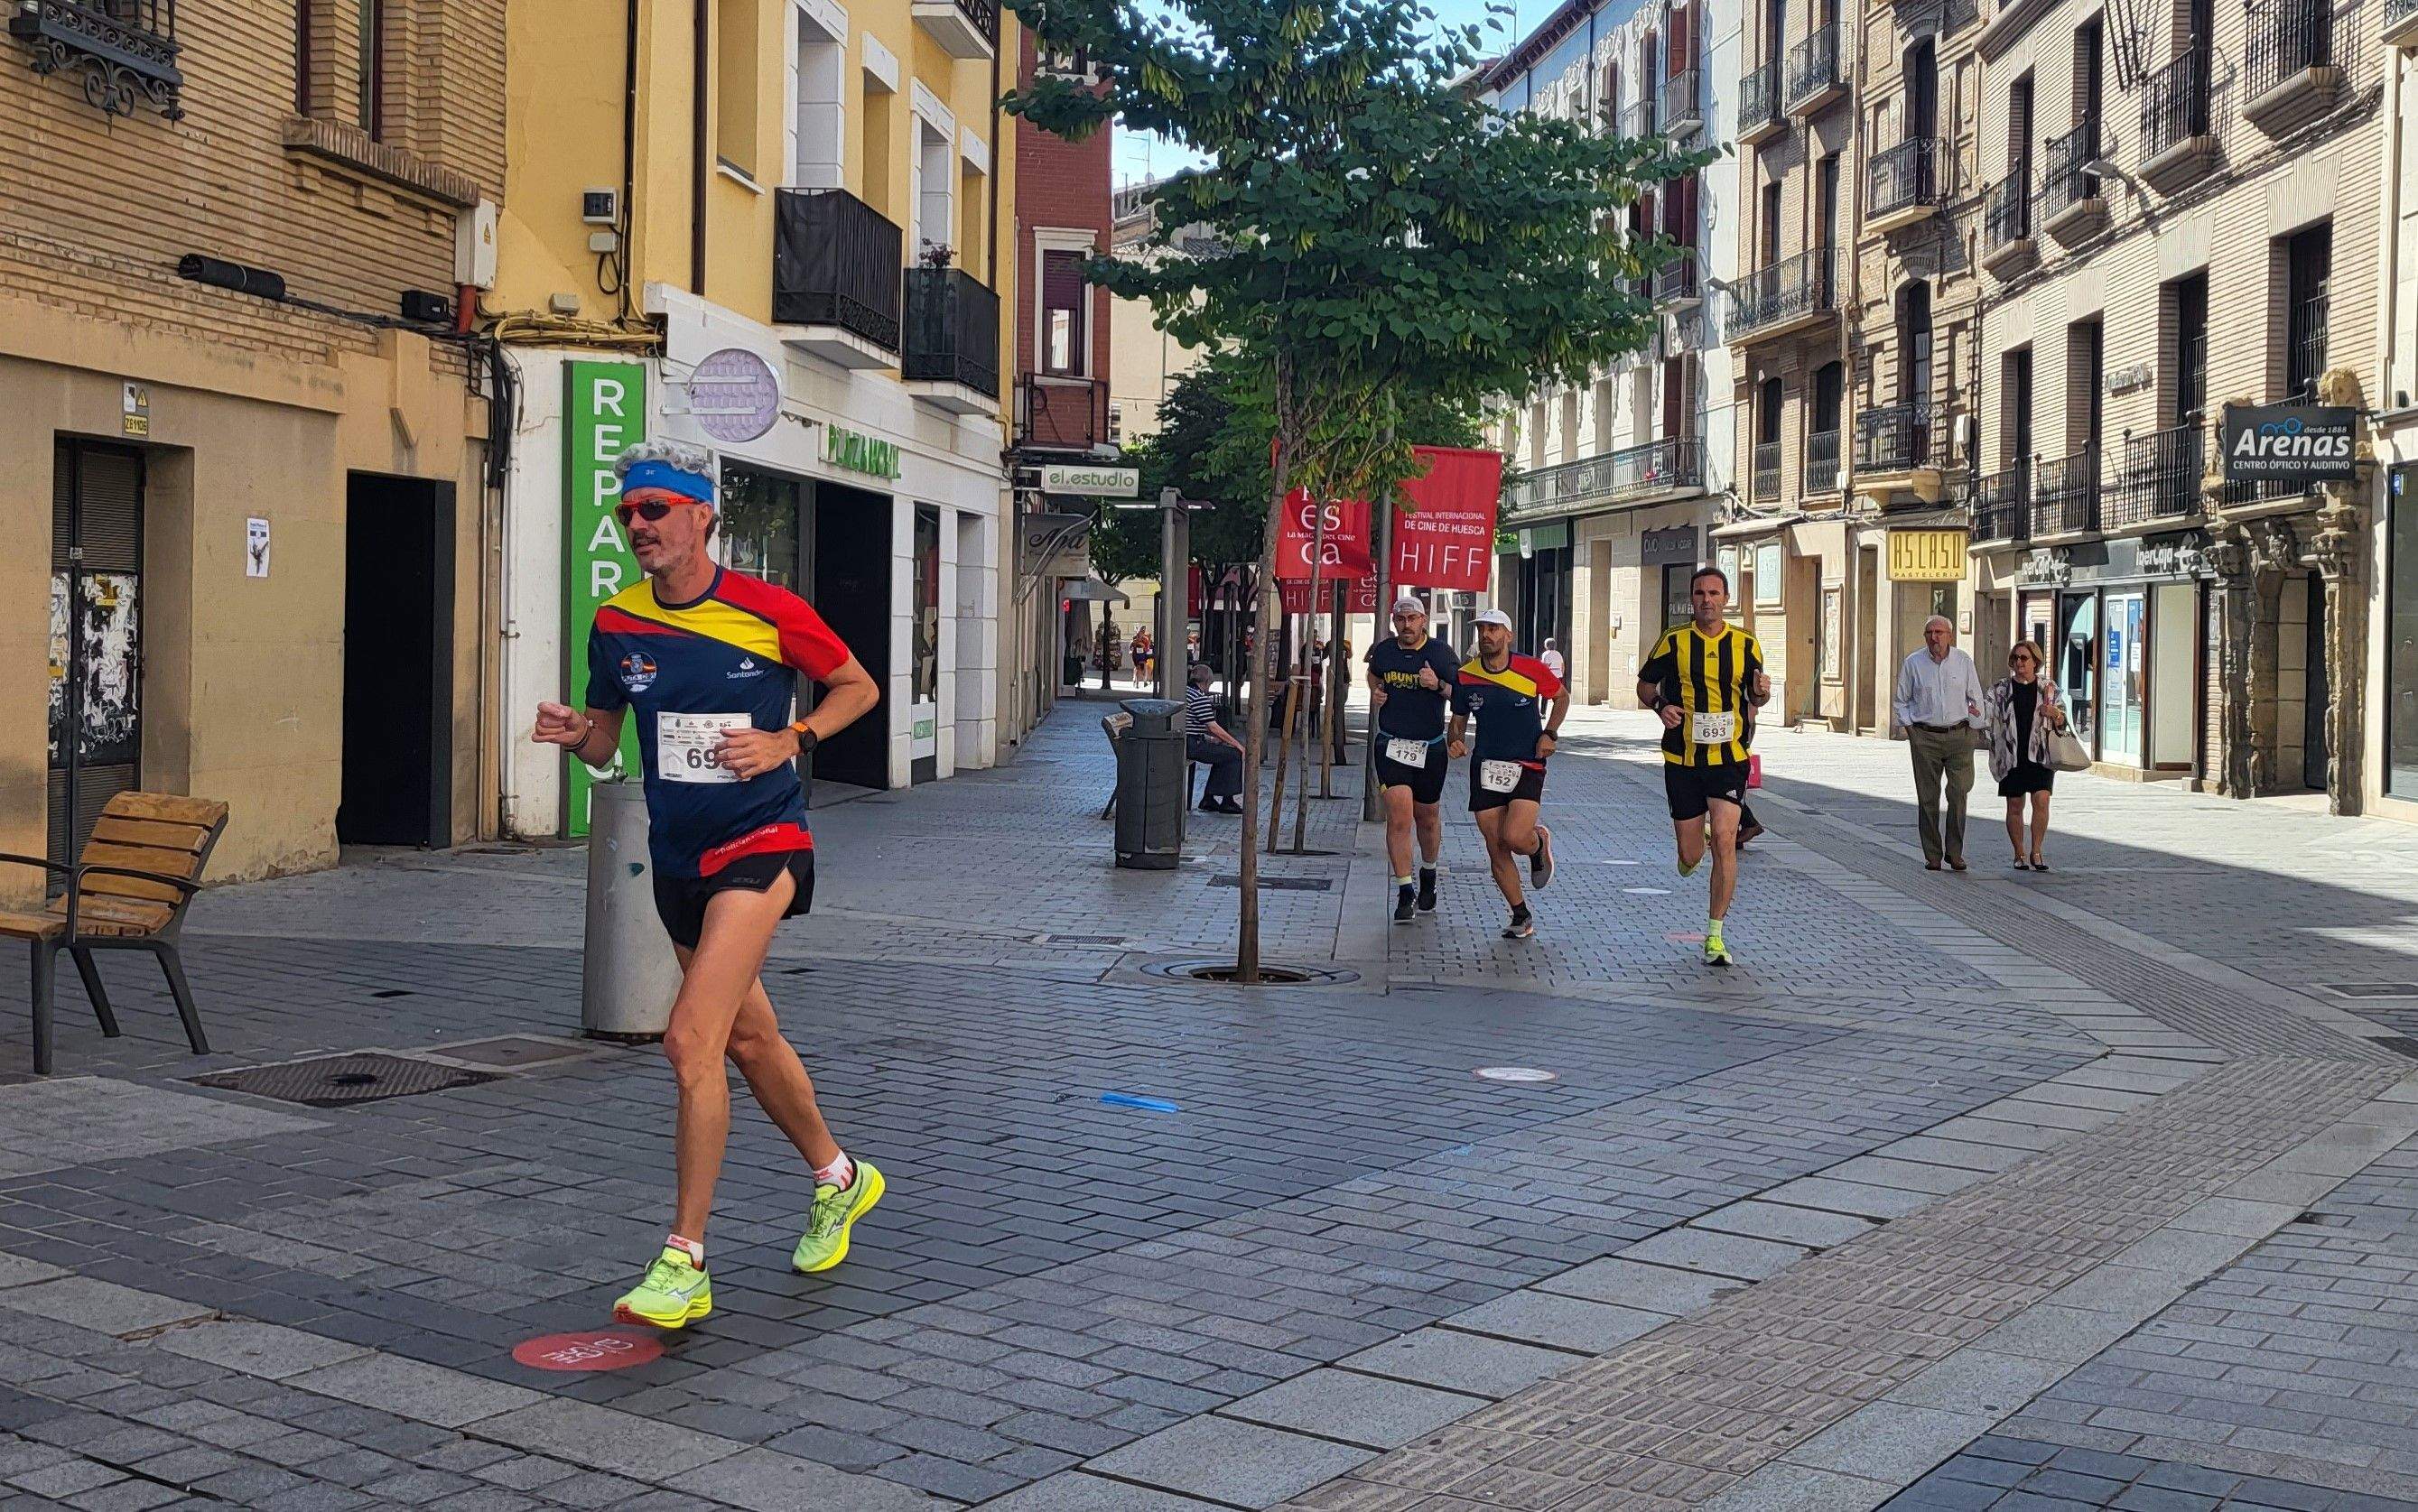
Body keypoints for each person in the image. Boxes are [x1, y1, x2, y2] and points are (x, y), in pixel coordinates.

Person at [531, 440, 883, 1331]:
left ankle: (683, 1260)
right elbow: (609, 744)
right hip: (678, 861)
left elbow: (857, 686)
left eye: (656, 510)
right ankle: (839, 1177)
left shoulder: (766, 611)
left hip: (762, 842)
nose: (638, 526)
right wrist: (575, 732)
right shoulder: (616, 625)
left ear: (701, 517)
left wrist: (790, 738)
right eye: (628, 513)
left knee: (689, 1038)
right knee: (748, 1042)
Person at [1638, 566, 1771, 968]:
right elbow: (1645, 685)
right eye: (1699, 593)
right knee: (1692, 854)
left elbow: (1754, 695)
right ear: (1691, 599)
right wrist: (1661, 706)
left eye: (1714, 593)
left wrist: (1762, 695)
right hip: (1682, 759)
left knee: (1726, 842)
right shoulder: (1673, 641)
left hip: (1729, 758)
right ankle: (1696, 843)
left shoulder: (1747, 645)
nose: (1706, 600)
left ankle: (1715, 934)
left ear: (1726, 599)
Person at [1446, 609, 1566, 939]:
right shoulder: (1466, 675)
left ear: (1508, 635)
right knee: (1496, 845)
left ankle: (1538, 842)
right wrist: (1454, 741)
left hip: (1527, 763)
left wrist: (1550, 734)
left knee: (1514, 836)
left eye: (1494, 629)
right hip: (1486, 766)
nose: (1486, 635)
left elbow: (1561, 697)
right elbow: (1457, 722)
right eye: (1482, 629)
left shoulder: (1531, 668)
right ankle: (1520, 914)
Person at [1366, 596, 1461, 923]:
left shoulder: (1440, 653)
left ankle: (1429, 875)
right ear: (1394, 622)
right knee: (1399, 818)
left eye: (1412, 619)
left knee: (1428, 818)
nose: (1406, 625)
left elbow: (1459, 693)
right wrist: (1376, 691)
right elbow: (1373, 675)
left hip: (1430, 746)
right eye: (1401, 619)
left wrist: (1438, 686)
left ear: (1424, 621)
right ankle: (1405, 889)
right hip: (1392, 744)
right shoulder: (1385, 651)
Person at [1893, 615, 1987, 872]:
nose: (1935, 638)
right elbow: (1901, 700)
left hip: (1959, 735)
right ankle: (1933, 855)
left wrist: (1974, 730)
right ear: (1925, 636)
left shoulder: (1963, 661)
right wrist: (1911, 732)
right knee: (1928, 798)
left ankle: (1955, 853)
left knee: (1959, 792)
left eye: (1940, 632)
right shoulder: (1913, 663)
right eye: (1930, 633)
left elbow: (1976, 697)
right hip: (1925, 737)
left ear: (1950, 635)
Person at [1984, 639, 2068, 871]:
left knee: (2041, 799)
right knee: (2014, 804)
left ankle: (2037, 851)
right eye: (2016, 658)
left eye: (2024, 658)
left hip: (2040, 754)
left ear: (2035, 662)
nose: (2019, 662)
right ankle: (2019, 852)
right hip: (2011, 754)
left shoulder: (2048, 688)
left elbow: (2062, 721)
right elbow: (1985, 714)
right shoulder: (2000, 689)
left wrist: (2056, 714)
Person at [1186, 662, 1246, 813]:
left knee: (1222, 753)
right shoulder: (1199, 698)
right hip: (1192, 745)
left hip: (1188, 740)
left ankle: (1209, 798)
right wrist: (1237, 744)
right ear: (1206, 682)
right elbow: (1213, 727)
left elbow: (1192, 725)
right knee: (1233, 754)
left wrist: (1209, 739)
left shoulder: (1185, 692)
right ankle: (1227, 800)